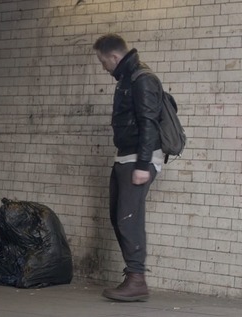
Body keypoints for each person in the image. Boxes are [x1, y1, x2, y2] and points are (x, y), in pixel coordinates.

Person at [93, 33, 165, 302]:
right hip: (127, 156)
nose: (104, 67)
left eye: (103, 62)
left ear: (114, 57)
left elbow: (149, 123)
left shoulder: (141, 78)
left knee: (129, 219)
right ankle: (133, 278)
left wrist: (143, 165)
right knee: (118, 216)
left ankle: (137, 281)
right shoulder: (128, 78)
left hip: (139, 159)